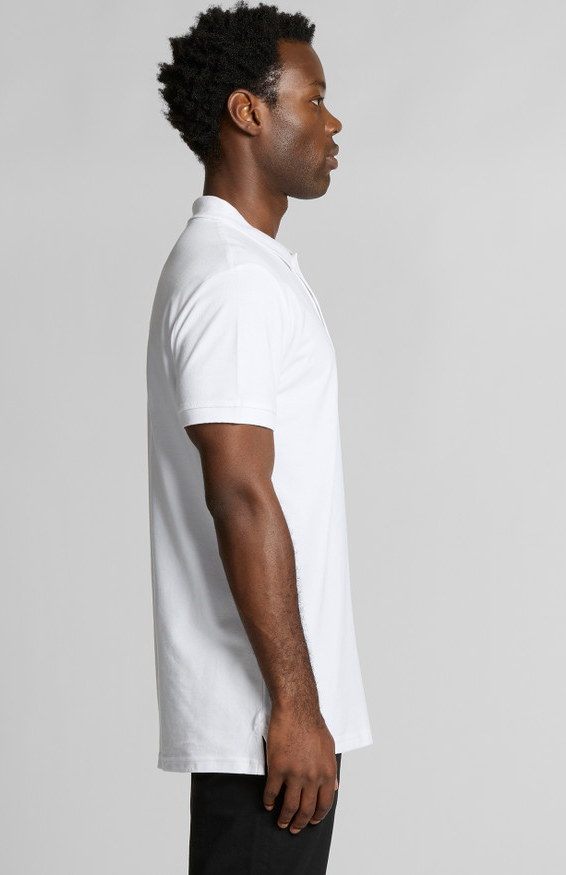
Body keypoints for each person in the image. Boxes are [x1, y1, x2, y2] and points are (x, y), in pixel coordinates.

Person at [146, 3, 372, 872]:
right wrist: (296, 707)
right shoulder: (232, 280)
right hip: (265, 729)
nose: (331, 121)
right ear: (248, 111)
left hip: (272, 721)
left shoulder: (251, 267)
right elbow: (240, 492)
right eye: (312, 98)